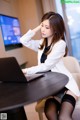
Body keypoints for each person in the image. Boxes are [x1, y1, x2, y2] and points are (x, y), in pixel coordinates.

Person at [20, 11, 80, 120]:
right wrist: (40, 26)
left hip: (66, 87)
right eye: (42, 26)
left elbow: (46, 66)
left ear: (56, 29)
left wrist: (26, 70)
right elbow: (23, 40)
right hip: (52, 89)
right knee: (50, 113)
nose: (43, 29)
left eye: (47, 27)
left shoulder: (60, 45)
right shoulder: (41, 44)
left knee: (63, 117)